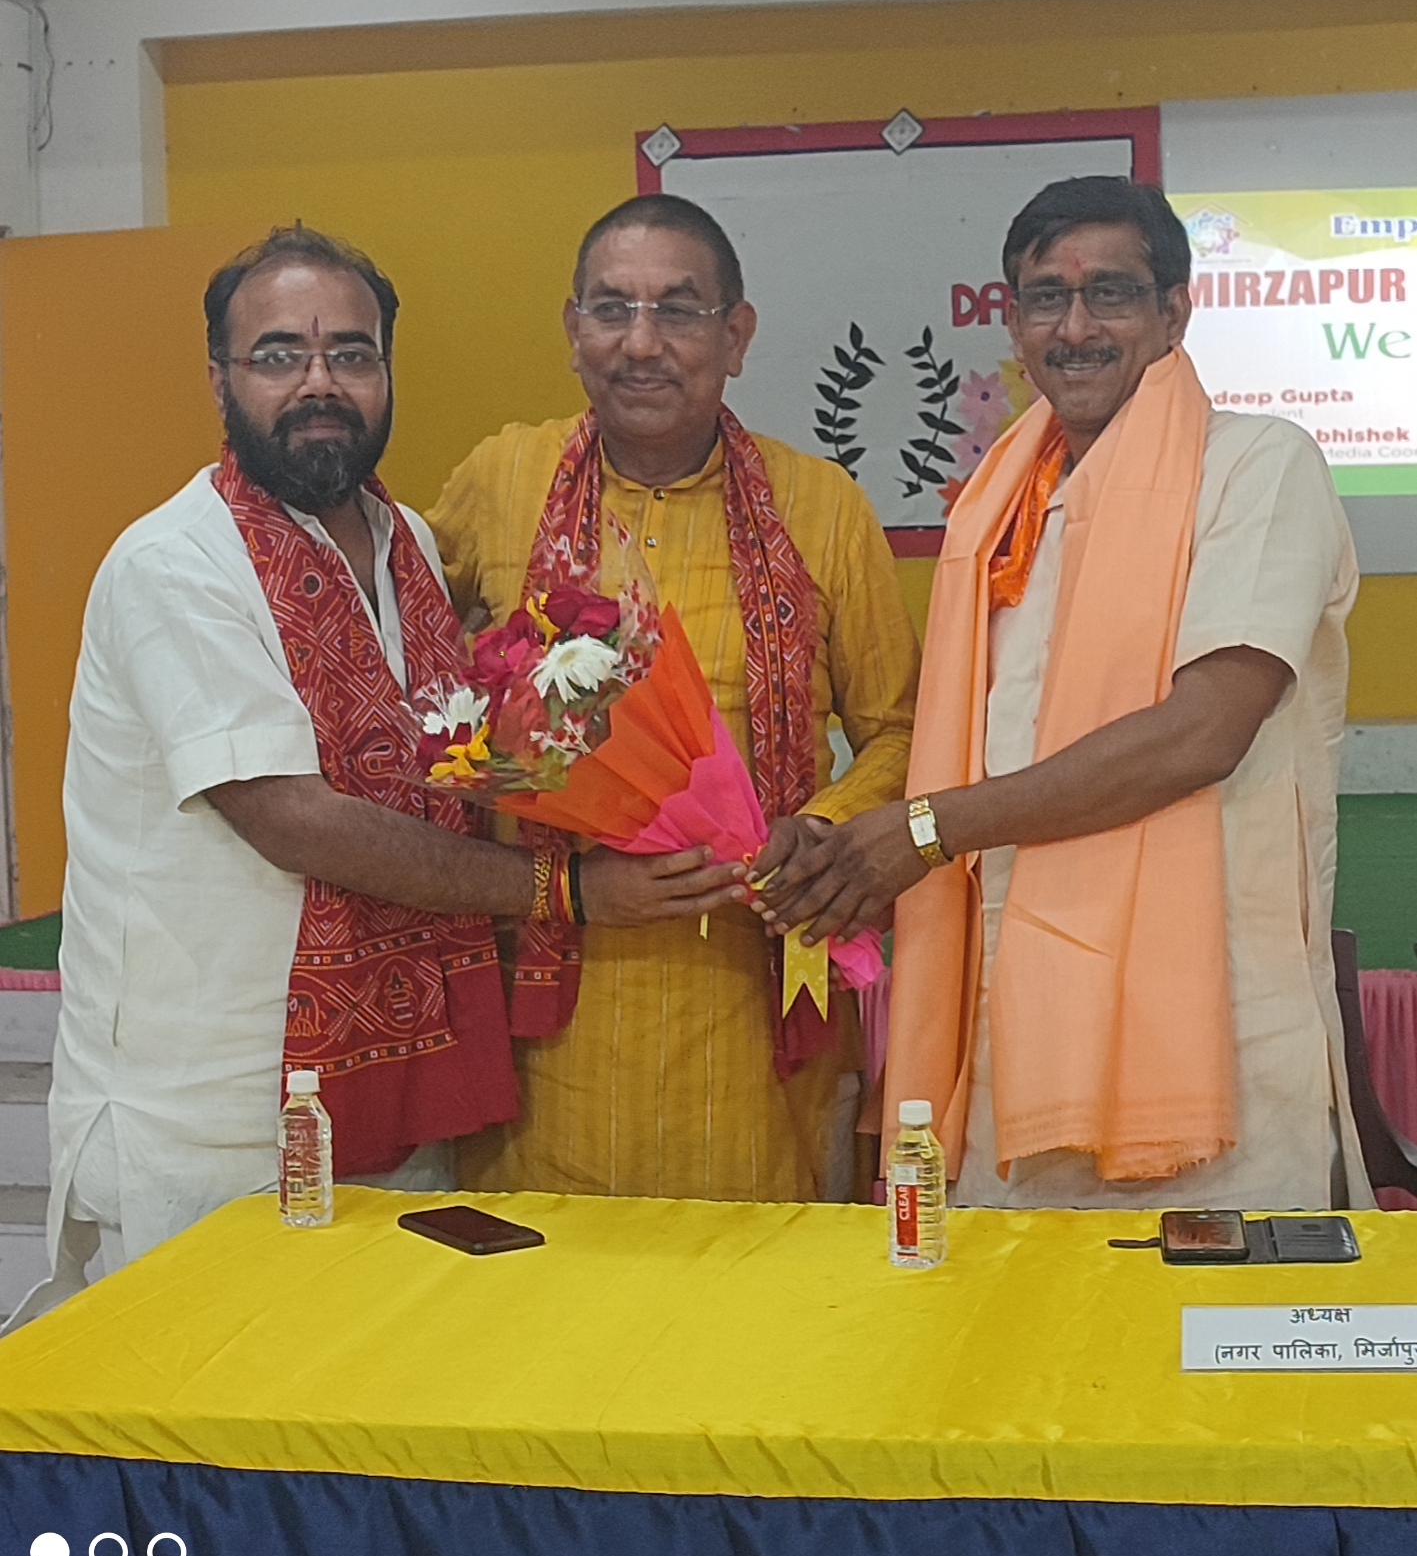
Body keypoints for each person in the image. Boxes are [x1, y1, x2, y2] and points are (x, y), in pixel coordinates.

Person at [14, 224, 742, 1324]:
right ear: (219, 378)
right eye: (279, 355)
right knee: (207, 1415)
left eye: (349, 353)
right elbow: (292, 817)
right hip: (215, 1122)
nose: (319, 383)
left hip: (400, 1097)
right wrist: (568, 891)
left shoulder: (407, 543)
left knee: (379, 1404)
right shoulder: (175, 564)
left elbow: (454, 761)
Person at [756, 176, 1371, 1212]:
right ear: (1013, 323)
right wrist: (836, 840)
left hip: (1208, 1050)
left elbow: (1199, 734)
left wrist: (925, 831)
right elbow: (959, 748)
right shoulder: (999, 510)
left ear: (1174, 312)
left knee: (1205, 1324)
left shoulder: (1257, 467)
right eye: (1046, 297)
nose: (1074, 328)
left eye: (1110, 294)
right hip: (1015, 1043)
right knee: (1012, 1318)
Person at [427, 193, 919, 1201]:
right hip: (549, 1015)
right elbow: (418, 671)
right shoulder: (500, 479)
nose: (641, 343)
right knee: (548, 1277)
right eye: (612, 309)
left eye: (678, 310)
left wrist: (822, 831)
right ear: (573, 331)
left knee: (750, 1274)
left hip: (750, 1004)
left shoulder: (821, 507)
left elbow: (899, 728)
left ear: (736, 336)